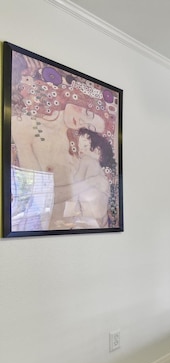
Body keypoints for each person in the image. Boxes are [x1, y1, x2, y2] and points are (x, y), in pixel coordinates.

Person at [9, 53, 119, 230]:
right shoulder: (24, 125)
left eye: (89, 126)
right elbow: (36, 195)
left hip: (75, 226)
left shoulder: (78, 148)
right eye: (88, 114)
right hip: (46, 229)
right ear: (76, 97)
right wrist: (89, 183)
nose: (83, 121)